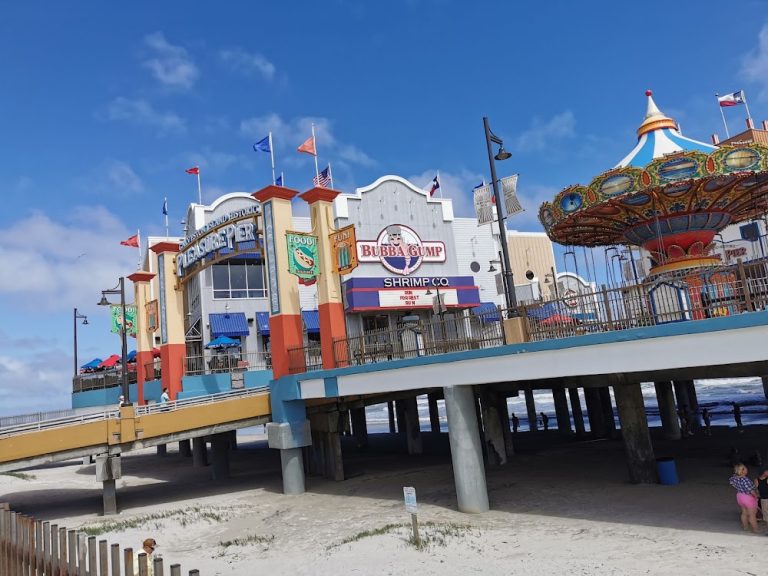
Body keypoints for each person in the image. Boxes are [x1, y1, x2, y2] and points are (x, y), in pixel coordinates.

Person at [729, 463, 759, 533]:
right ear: (743, 471)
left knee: (744, 513)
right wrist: (756, 495)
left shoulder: (734, 477)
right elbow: (751, 491)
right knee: (752, 515)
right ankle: (755, 529)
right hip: (748, 498)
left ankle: (745, 527)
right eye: (745, 468)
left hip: (739, 496)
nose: (747, 469)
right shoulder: (746, 480)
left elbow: (731, 482)